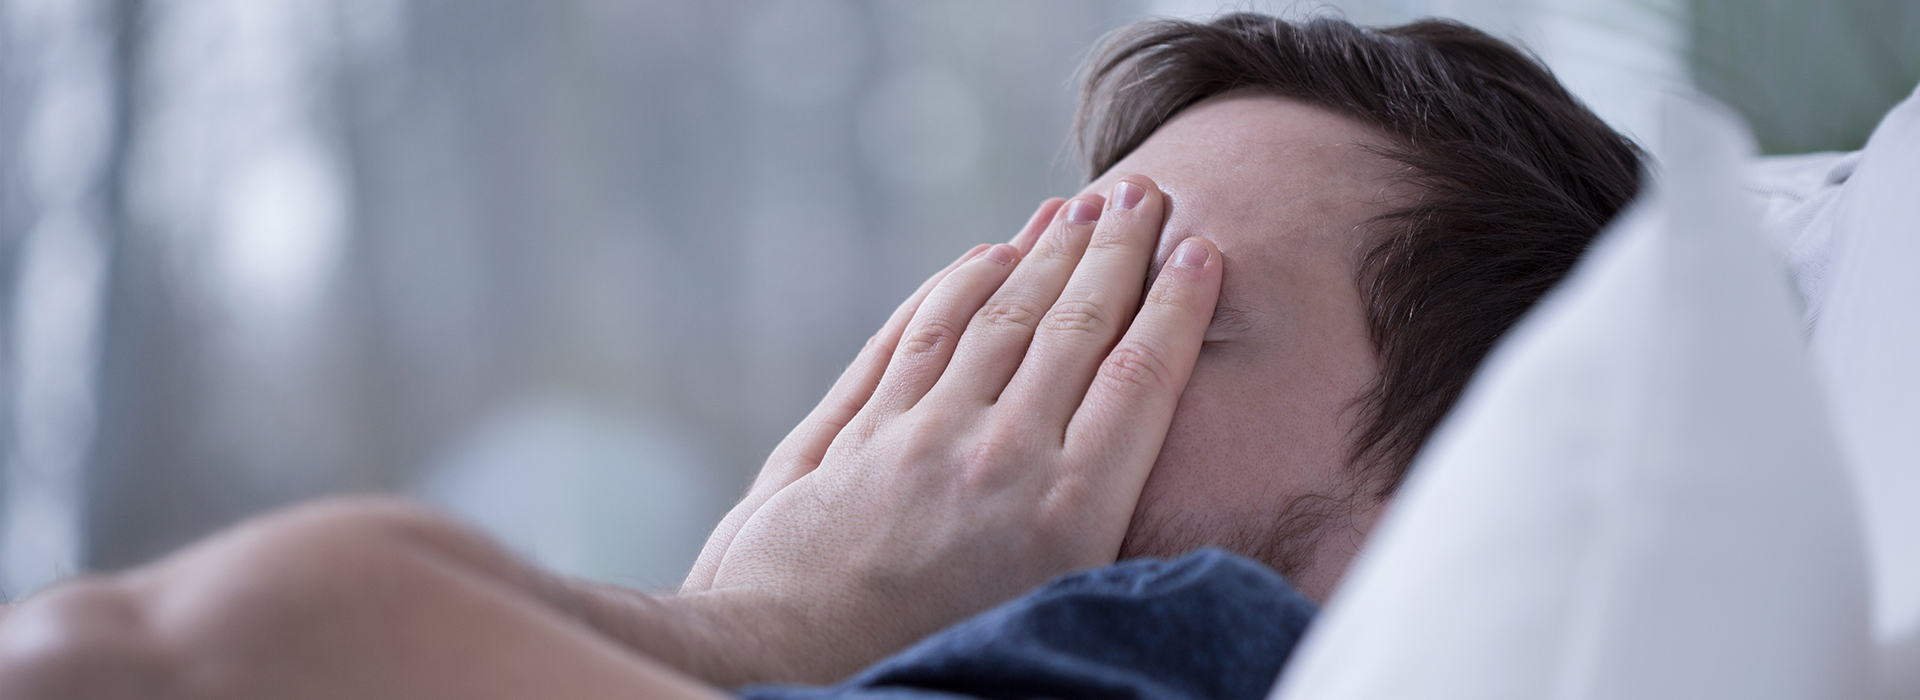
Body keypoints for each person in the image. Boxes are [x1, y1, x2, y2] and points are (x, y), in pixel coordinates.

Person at [0, 13, 1640, 700]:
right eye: (1035, 283)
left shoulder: (1181, 648)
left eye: (1147, 308)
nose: (978, 385)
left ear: (1472, 475)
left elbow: (200, 655)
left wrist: (770, 619)